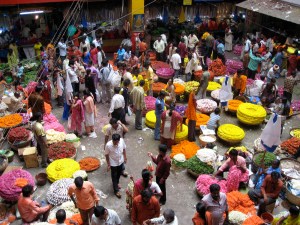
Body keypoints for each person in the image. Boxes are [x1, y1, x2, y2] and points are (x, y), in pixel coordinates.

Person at [105, 133, 128, 198]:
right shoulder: (108, 145)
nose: (116, 143)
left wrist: (125, 157)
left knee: (119, 173)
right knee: (114, 176)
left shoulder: (122, 141)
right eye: (115, 142)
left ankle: (117, 183)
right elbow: (106, 154)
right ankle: (116, 191)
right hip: (113, 163)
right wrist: (108, 164)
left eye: (117, 142)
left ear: (119, 140)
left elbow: (124, 149)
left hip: (120, 161)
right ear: (112, 140)